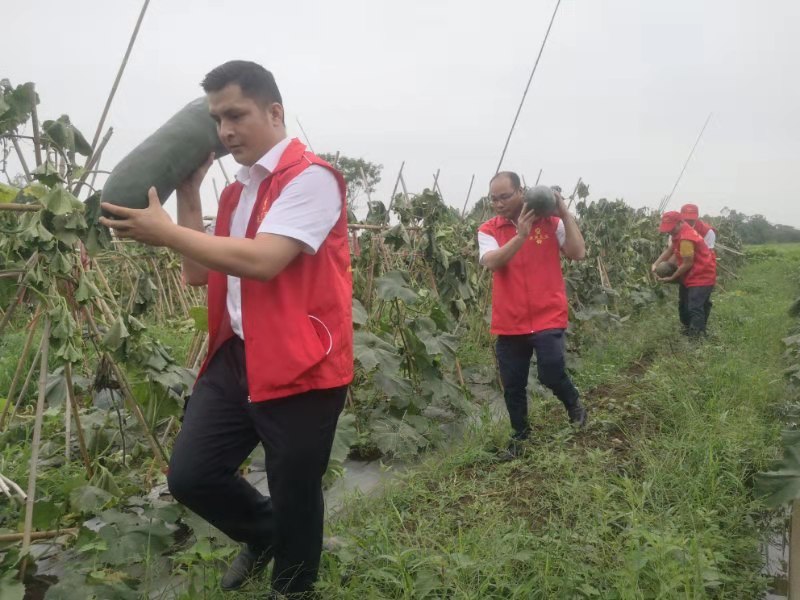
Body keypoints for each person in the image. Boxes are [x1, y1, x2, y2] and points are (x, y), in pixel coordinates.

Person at [99, 60, 353, 598]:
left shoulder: (311, 178)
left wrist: (166, 233)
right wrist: (189, 193)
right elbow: (197, 273)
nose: (225, 131)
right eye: (217, 119)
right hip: (237, 353)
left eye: (236, 115)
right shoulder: (236, 193)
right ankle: (266, 536)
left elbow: (264, 261)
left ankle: (292, 587)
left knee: (295, 489)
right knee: (191, 476)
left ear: (274, 112)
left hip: (301, 359)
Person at [477, 172, 587, 459]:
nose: (498, 204)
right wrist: (521, 236)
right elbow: (492, 263)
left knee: (551, 372)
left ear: (521, 192)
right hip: (510, 320)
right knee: (513, 385)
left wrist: (563, 212)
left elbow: (578, 253)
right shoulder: (489, 229)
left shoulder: (551, 223)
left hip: (547, 315)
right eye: (493, 199)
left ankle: (574, 404)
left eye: (504, 196)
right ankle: (520, 436)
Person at [652, 211, 716, 338]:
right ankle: (688, 330)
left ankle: (697, 338)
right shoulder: (679, 233)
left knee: (695, 307)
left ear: (680, 223)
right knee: (684, 304)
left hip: (701, 275)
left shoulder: (686, 238)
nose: (669, 231)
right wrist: (655, 264)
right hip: (691, 274)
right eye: (668, 229)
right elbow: (670, 250)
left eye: (671, 228)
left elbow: (687, 263)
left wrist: (672, 277)